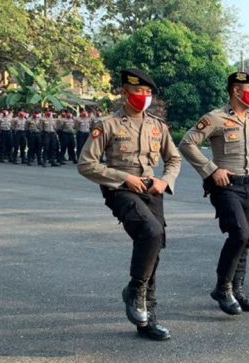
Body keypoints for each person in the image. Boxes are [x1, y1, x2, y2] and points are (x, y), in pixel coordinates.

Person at [77, 68, 181, 341]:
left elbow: (174, 159)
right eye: (138, 92)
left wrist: (165, 181)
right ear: (125, 92)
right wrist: (124, 178)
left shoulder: (158, 126)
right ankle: (135, 290)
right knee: (152, 233)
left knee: (152, 250)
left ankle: (147, 320)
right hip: (121, 191)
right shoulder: (108, 124)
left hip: (152, 190)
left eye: (148, 93)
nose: (143, 97)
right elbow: (86, 164)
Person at [178, 71, 249, 315]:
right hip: (226, 185)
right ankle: (222, 288)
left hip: (248, 184)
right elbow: (187, 143)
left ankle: (238, 289)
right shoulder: (215, 118)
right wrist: (211, 169)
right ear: (236, 91)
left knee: (248, 238)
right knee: (239, 233)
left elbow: (246, 151)